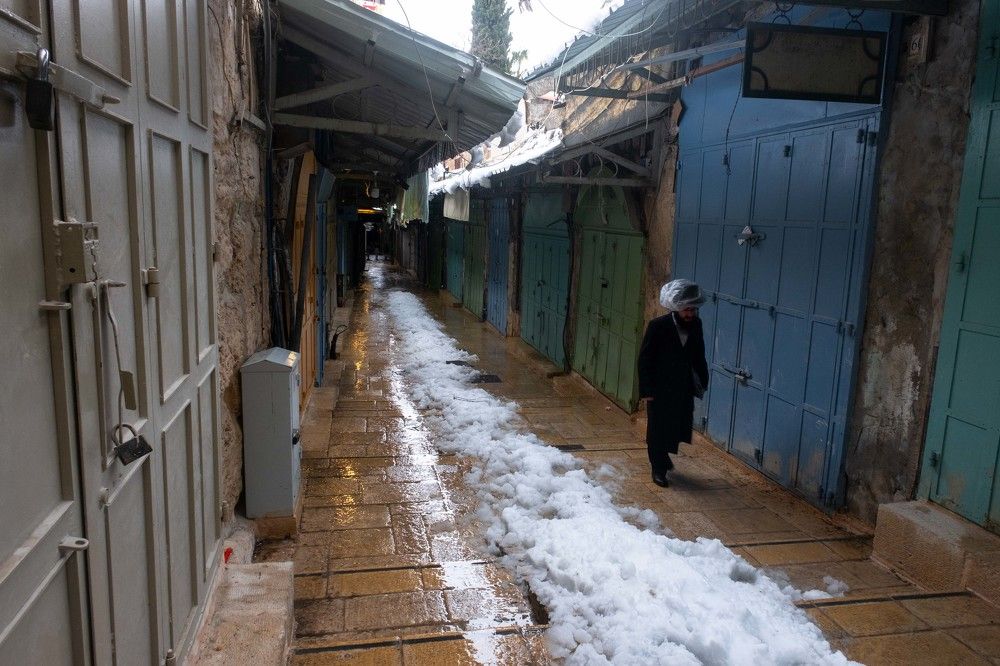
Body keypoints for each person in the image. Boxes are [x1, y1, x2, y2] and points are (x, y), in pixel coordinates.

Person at [637, 279, 709, 488]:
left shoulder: (696, 324)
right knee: (658, 428)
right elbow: (645, 359)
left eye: (693, 310)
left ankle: (664, 455)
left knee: (678, 425)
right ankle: (657, 468)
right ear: (676, 308)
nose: (690, 314)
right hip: (659, 388)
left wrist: (702, 379)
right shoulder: (658, 326)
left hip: (682, 387)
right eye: (686, 310)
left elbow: (698, 353)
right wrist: (647, 390)